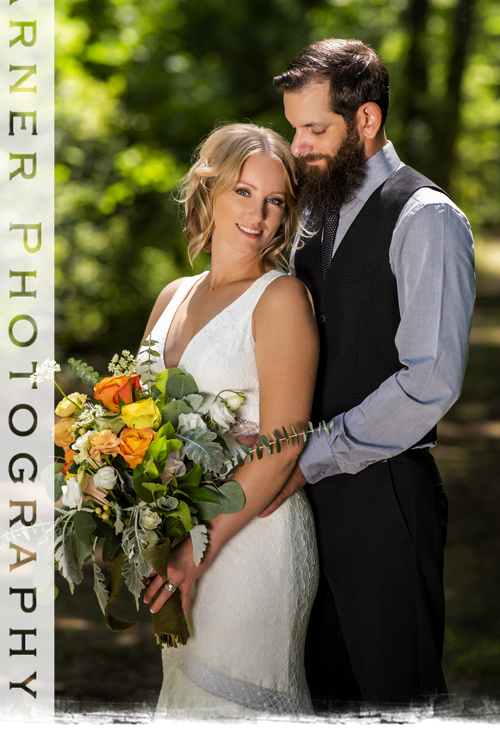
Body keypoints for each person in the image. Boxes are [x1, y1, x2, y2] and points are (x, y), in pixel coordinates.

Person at [260, 38, 476, 714]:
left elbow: (429, 380)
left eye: (314, 129)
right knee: (326, 698)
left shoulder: (425, 218)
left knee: (397, 700)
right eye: (295, 128)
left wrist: (311, 456)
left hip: (386, 501)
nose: (298, 146)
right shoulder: (318, 215)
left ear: (368, 121)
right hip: (307, 504)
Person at [141, 123, 320, 720]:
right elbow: (136, 421)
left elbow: (284, 443)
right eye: (244, 192)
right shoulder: (172, 296)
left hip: (250, 542)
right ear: (209, 190)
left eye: (275, 201)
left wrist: (201, 547)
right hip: (175, 538)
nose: (260, 214)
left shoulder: (282, 298)